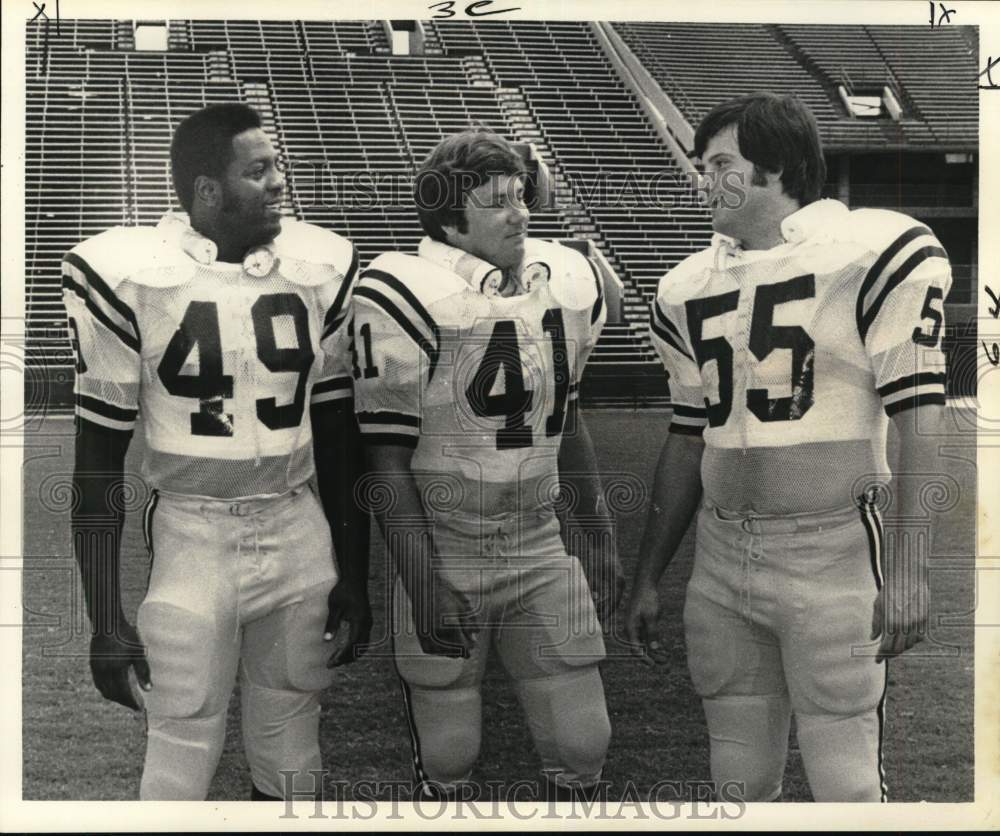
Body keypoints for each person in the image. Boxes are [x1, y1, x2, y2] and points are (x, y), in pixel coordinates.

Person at [625, 93, 951, 802]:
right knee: (737, 783)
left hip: (829, 552)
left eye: (719, 164)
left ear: (776, 168)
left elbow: (922, 416)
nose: (701, 182)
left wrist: (908, 570)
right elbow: (687, 437)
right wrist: (649, 572)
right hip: (720, 557)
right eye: (698, 165)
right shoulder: (687, 286)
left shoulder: (870, 251)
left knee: (848, 783)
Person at [62, 102, 371, 800]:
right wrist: (105, 618)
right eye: (258, 171)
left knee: (294, 742)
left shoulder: (316, 268)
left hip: (296, 525)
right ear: (208, 191)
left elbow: (337, 435)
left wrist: (354, 569)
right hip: (193, 531)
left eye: (278, 165)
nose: (279, 181)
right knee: (181, 737)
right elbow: (96, 464)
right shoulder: (132, 277)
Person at [350, 129, 622, 800]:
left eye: (520, 197)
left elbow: (570, 418)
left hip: (539, 542)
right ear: (449, 219)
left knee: (583, 743)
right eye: (498, 202)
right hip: (448, 548)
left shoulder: (558, 280)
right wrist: (421, 581)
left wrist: (600, 534)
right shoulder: (399, 291)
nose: (521, 213)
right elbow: (383, 462)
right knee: (449, 755)